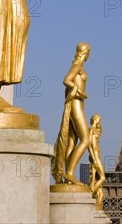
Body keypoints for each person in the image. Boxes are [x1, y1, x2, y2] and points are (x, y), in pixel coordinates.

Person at [52, 42, 91, 185]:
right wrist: (79, 91)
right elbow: (66, 80)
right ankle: (69, 173)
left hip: (77, 105)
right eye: (88, 52)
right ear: (85, 52)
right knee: (86, 140)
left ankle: (68, 175)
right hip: (76, 105)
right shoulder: (78, 66)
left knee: (72, 142)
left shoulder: (78, 65)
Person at [88, 114, 106, 209]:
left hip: (97, 154)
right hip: (95, 155)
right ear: (95, 119)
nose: (100, 120)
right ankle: (89, 192)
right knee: (102, 177)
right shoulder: (91, 129)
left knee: (101, 177)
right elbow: (89, 145)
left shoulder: (95, 130)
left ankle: (92, 191)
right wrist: (93, 158)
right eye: (99, 119)